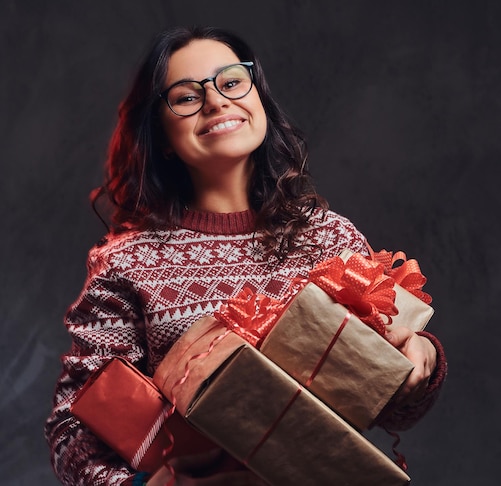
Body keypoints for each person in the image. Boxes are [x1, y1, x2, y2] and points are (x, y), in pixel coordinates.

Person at [44, 25, 448, 486]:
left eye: (231, 82)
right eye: (186, 96)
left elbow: (393, 409)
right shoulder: (128, 263)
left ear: (259, 98)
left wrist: (423, 360)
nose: (216, 101)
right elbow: (70, 429)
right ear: (161, 132)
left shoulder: (329, 238)